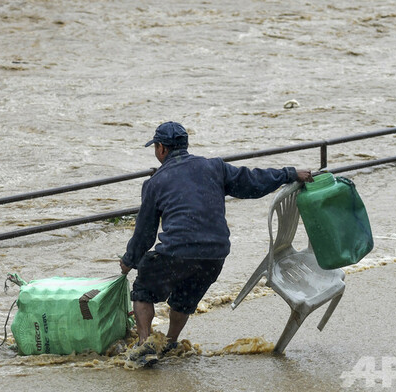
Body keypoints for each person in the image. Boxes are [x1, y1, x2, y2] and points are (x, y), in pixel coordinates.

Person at [119, 121, 313, 367]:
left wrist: (128, 262)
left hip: (177, 252)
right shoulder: (214, 167)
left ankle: (145, 345)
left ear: (161, 149)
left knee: (144, 288)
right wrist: (289, 173)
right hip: (215, 254)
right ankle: (170, 341)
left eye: (156, 147)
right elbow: (252, 182)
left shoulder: (155, 183)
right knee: (185, 297)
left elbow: (145, 234)